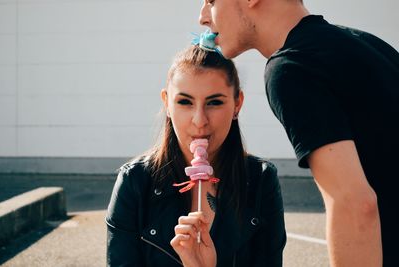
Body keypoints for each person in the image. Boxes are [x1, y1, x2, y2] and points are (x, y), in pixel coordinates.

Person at [198, 0, 399, 266]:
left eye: (211, 1)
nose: (202, 17)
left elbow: (354, 204)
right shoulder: (369, 45)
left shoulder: (292, 68)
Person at [106, 45, 286, 266]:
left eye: (214, 102)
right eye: (184, 102)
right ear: (167, 104)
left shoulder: (260, 180)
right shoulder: (135, 183)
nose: (200, 120)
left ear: (237, 104)